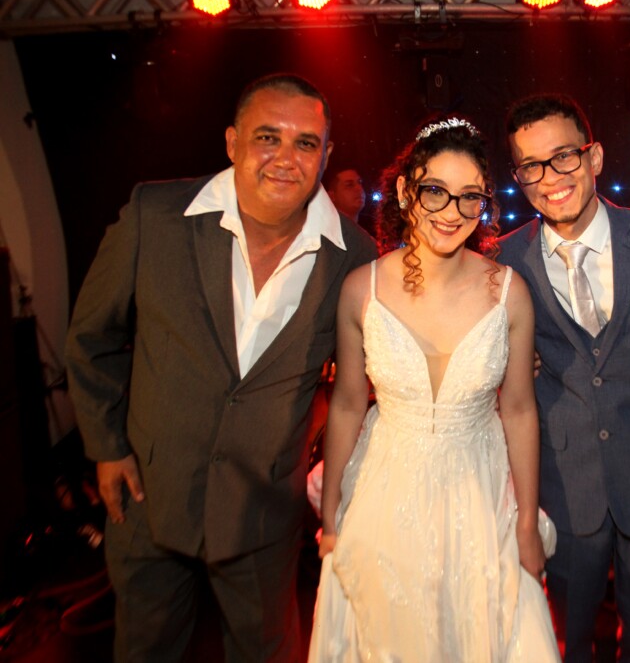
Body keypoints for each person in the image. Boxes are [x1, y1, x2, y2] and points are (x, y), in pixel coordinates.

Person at [65, 74, 378, 662]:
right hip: (148, 495)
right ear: (233, 141)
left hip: (264, 512)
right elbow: (91, 337)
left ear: (326, 154)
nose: (285, 158)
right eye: (267, 137)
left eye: (305, 143)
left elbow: (364, 380)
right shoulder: (155, 215)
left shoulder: (354, 255)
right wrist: (107, 446)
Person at [309, 117, 560, 662]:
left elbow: (520, 411)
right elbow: (347, 404)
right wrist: (330, 517)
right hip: (386, 493)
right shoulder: (361, 289)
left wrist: (525, 524)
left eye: (470, 196)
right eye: (435, 191)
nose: (452, 212)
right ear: (405, 192)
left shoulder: (509, 292)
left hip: (480, 492)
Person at [497, 94, 630, 662]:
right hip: (562, 485)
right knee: (567, 642)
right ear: (518, 177)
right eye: (531, 166)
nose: (550, 178)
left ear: (595, 157)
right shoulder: (504, 262)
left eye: (563, 156)